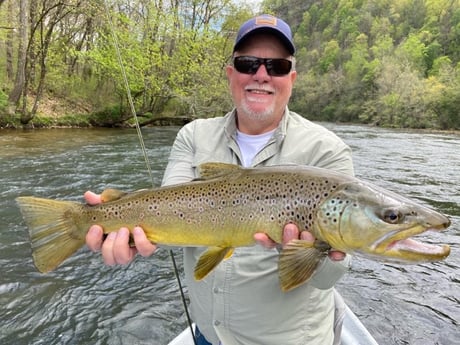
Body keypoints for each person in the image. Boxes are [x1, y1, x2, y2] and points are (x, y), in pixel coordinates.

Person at [85, 14, 354, 345]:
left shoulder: (327, 152)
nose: (261, 75)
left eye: (277, 67)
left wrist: (324, 252)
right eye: (248, 63)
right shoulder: (194, 135)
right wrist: (122, 231)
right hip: (207, 335)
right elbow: (169, 213)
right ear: (231, 74)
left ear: (292, 78)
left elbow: (327, 280)